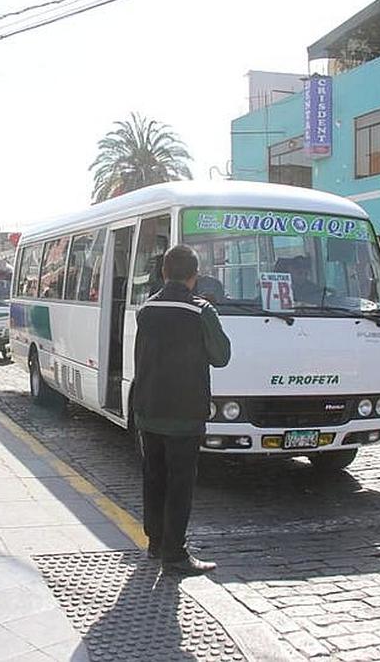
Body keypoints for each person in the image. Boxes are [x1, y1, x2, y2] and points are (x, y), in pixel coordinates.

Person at [132, 244, 231, 576]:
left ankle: (156, 543)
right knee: (180, 483)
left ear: (163, 273)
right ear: (195, 276)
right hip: (184, 414)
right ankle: (175, 554)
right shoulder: (200, 311)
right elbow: (221, 356)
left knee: (154, 477)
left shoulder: (146, 309)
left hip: (148, 408)